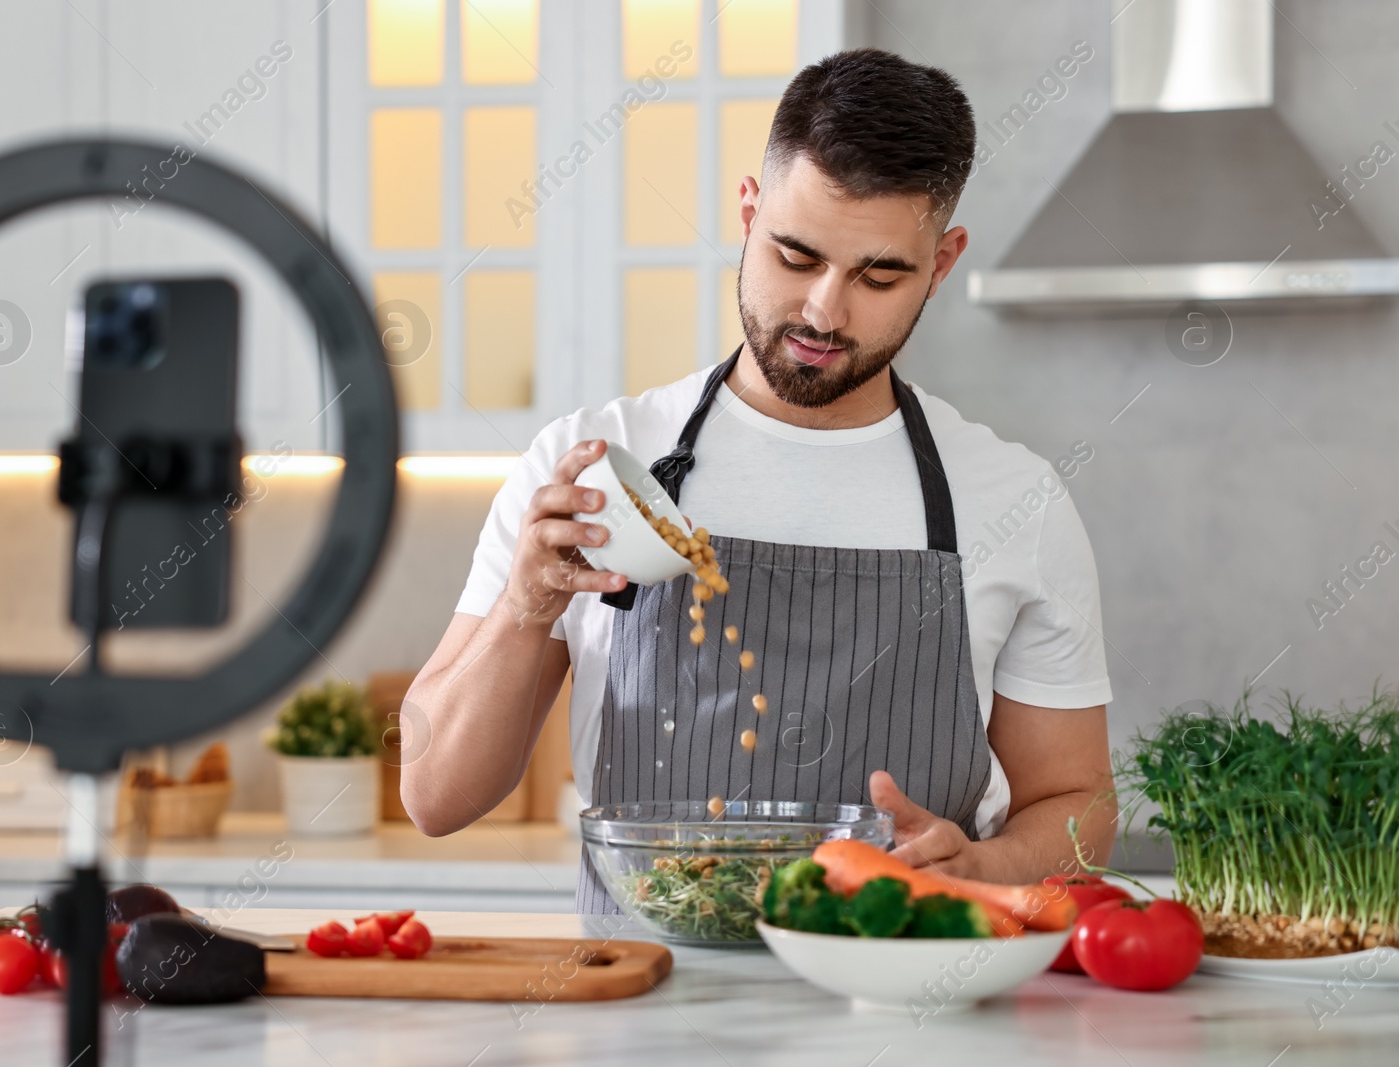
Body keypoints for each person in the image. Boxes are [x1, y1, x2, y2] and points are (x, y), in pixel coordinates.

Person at [403, 48, 1115, 913]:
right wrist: (525, 606)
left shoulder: (1013, 499)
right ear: (748, 212)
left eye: (879, 274)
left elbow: (1077, 803)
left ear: (942, 262)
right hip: (644, 1017)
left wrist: (984, 868)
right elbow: (435, 796)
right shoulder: (594, 463)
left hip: (902, 1002)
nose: (824, 310)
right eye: (794, 254)